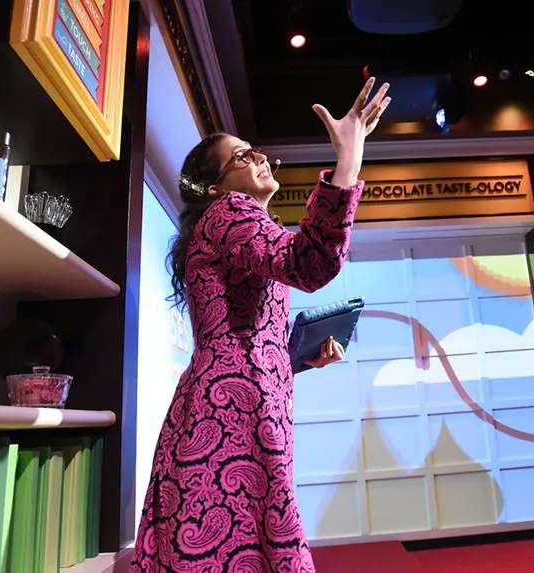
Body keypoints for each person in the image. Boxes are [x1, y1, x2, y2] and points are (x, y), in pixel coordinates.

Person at [129, 77, 391, 572]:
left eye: (256, 151)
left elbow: (244, 336)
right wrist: (348, 160)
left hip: (240, 403)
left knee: (230, 549)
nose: (259, 158)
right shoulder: (229, 211)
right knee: (238, 546)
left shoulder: (239, 225)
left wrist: (298, 359)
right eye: (242, 157)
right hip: (232, 412)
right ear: (214, 187)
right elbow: (310, 264)